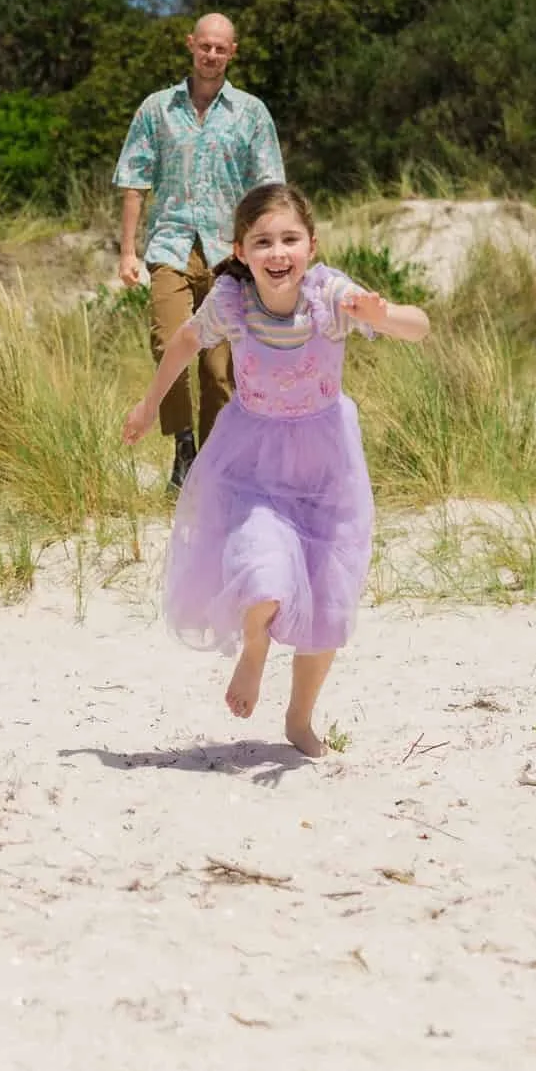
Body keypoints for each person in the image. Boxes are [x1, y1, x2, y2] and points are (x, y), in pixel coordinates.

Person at [122, 182, 430, 757]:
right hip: (255, 458)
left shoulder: (329, 295)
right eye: (262, 241)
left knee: (328, 593)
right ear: (240, 251)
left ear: (311, 246)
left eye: (290, 239)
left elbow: (420, 326)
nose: (277, 251)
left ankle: (299, 717)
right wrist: (147, 406)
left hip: (327, 464)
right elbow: (184, 344)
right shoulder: (233, 301)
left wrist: (385, 316)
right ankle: (255, 646)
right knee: (263, 564)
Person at [114, 12, 285, 488]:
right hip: (171, 244)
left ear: (233, 52)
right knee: (169, 344)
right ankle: (182, 442)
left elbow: (271, 189)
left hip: (229, 254)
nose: (211, 55)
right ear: (191, 45)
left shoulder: (251, 113)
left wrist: (268, 253)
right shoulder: (157, 108)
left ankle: (209, 464)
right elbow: (133, 180)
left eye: (220, 48)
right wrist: (128, 252)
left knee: (219, 367)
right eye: (204, 46)